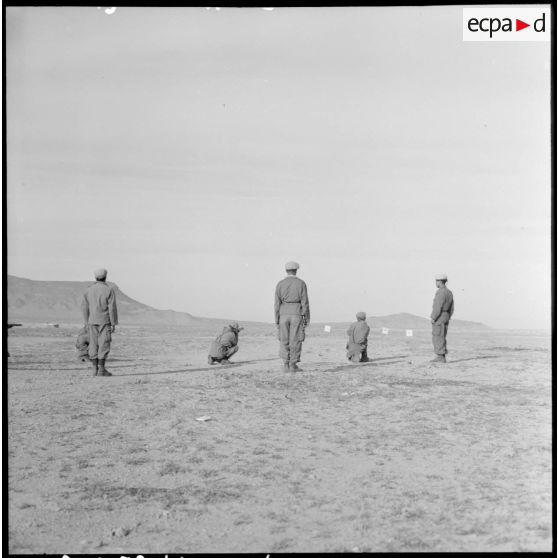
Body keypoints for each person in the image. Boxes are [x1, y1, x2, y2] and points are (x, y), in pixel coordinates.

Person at [81, 268, 118, 376]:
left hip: (91, 321)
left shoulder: (88, 290)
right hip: (105, 321)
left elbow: (84, 307)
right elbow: (112, 308)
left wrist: (86, 322)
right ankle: (101, 369)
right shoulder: (109, 290)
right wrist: (113, 323)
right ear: (105, 277)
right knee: (104, 344)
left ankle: (94, 369)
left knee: (93, 344)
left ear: (95, 277)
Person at [274, 261, 310, 371]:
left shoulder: (280, 284)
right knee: (295, 339)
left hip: (283, 314)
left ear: (286, 270)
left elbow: (276, 303)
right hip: (296, 313)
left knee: (284, 339)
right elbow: (305, 302)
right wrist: (306, 318)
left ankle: (285, 364)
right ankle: (293, 365)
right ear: (296, 270)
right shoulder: (301, 283)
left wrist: (277, 319)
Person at [430, 273, 454, 363]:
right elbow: (452, 307)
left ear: (440, 281)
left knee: (437, 336)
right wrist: (448, 316)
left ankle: (440, 357)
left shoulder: (440, 292)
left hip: (439, 316)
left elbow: (437, 306)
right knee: (442, 335)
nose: (436, 283)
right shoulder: (449, 292)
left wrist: (433, 317)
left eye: (436, 281)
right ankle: (441, 356)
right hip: (446, 316)